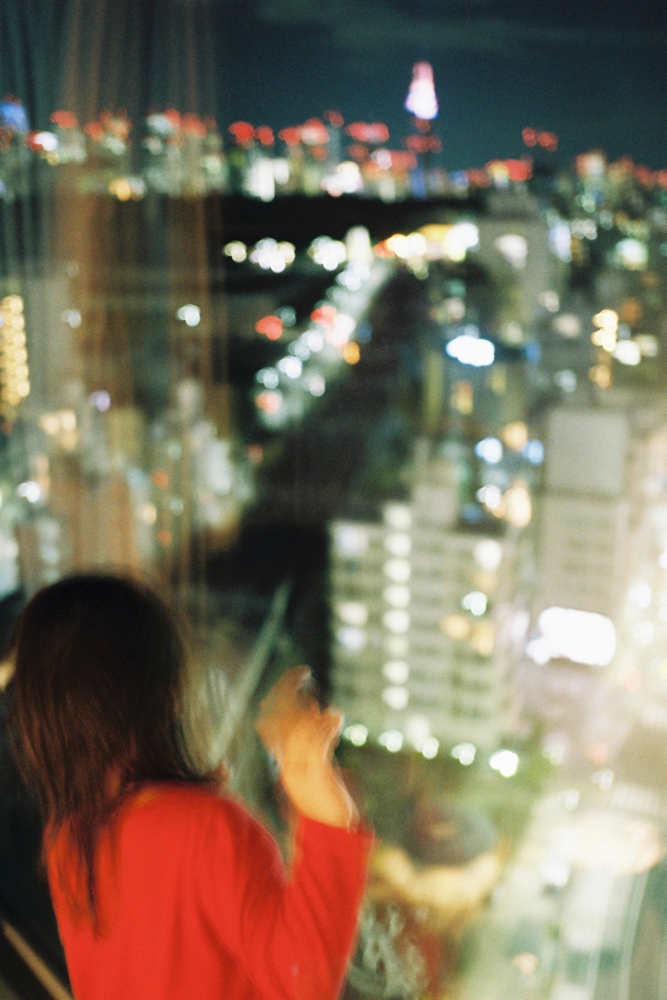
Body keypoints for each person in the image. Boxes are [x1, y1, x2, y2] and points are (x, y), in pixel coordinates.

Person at [9, 574, 372, 1000]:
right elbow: (302, 980)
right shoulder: (205, 829)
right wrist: (323, 806)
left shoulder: (68, 840)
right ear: (170, 691)